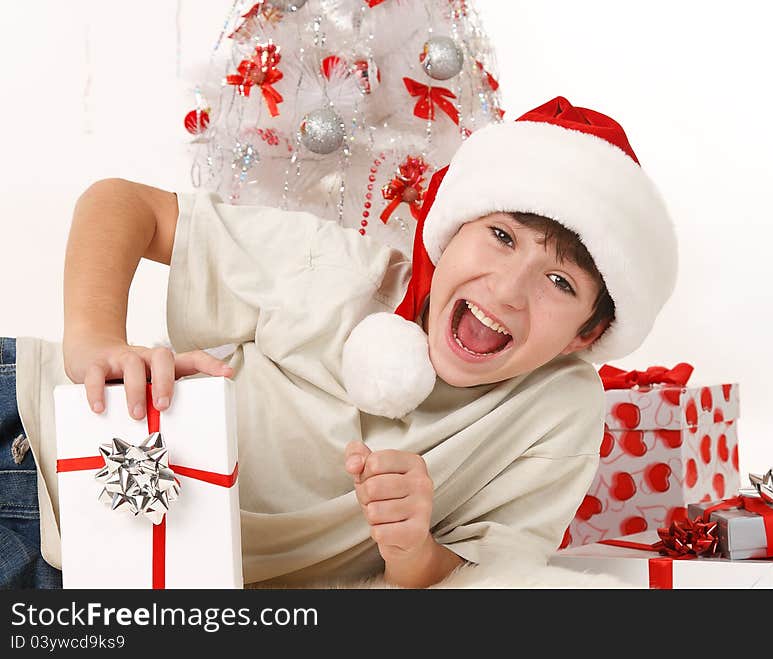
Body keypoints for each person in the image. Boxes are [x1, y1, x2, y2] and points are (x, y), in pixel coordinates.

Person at [0, 97, 677, 589]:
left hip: (97, 577)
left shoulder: (557, 408)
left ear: (588, 332)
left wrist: (412, 545)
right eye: (500, 236)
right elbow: (123, 204)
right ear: (449, 232)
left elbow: (484, 574)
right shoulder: (344, 275)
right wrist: (93, 342)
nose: (508, 289)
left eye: (559, 279)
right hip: (32, 430)